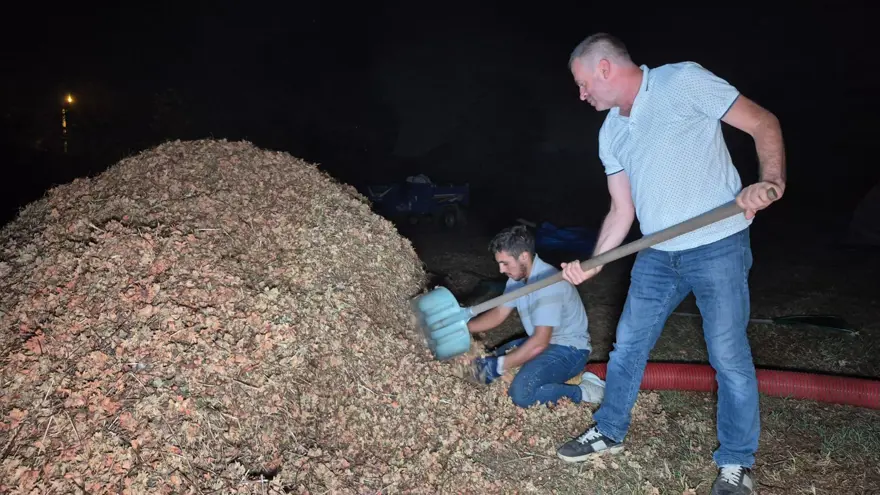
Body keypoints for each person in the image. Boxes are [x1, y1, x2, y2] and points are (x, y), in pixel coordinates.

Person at [554, 33, 785, 495]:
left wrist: (769, 181)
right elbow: (622, 211)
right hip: (657, 255)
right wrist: (595, 261)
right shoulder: (611, 132)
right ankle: (610, 429)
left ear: (604, 69)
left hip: (718, 245)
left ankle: (736, 463)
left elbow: (764, 123)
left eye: (582, 84)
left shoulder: (683, 81)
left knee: (729, 358)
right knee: (627, 346)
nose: (581, 95)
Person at [467, 225, 606, 407]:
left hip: (569, 350)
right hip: (545, 341)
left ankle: (584, 392)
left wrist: (500, 365)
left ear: (524, 256)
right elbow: (499, 313)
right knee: (490, 358)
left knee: (521, 393)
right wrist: (465, 327)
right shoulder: (517, 279)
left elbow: (540, 342)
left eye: (505, 263)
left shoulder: (549, 283)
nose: (501, 270)